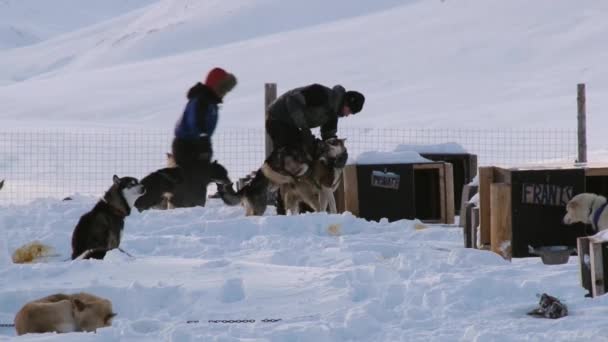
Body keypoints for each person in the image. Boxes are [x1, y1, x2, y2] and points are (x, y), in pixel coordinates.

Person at [265, 83, 365, 152]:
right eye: (349, 111)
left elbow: (328, 136)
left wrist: (337, 148)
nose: (347, 115)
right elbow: (292, 101)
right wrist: (304, 129)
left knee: (309, 150)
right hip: (276, 117)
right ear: (346, 103)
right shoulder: (320, 93)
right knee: (290, 153)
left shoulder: (333, 115)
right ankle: (266, 179)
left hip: (291, 124)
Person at [172, 67, 237, 167]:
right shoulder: (201, 100)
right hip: (186, 146)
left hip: (198, 144)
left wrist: (205, 143)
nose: (224, 93)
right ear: (215, 86)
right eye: (223, 89)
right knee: (196, 178)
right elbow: (195, 120)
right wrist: (203, 138)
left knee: (205, 176)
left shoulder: (210, 103)